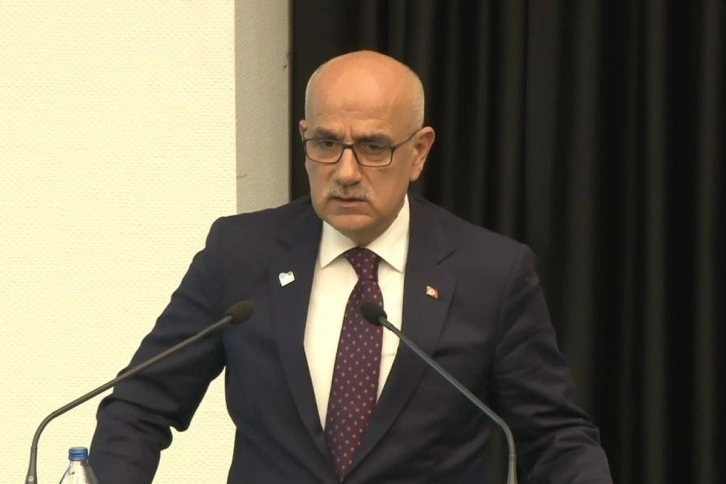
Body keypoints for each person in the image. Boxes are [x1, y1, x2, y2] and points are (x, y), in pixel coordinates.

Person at [89, 50, 613, 483]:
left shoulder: (491, 273)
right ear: (304, 139)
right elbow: (140, 404)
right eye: (326, 143)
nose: (345, 171)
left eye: (373, 147)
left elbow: (555, 438)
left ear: (419, 152)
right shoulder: (240, 254)